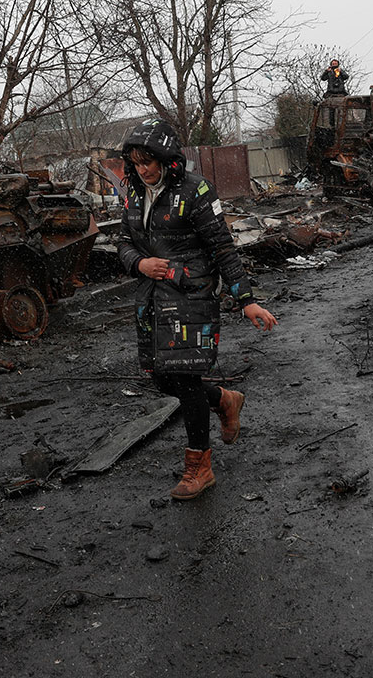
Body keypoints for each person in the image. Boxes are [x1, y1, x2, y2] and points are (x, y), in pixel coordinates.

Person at [116, 119, 278, 500]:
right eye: (137, 162)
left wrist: (246, 299)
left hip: (192, 295)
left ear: (168, 158)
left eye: (150, 161)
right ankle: (223, 399)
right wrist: (140, 264)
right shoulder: (133, 194)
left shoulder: (195, 190)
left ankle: (199, 466)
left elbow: (222, 247)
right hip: (152, 298)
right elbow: (124, 241)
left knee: (184, 379)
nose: (144, 169)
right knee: (160, 377)